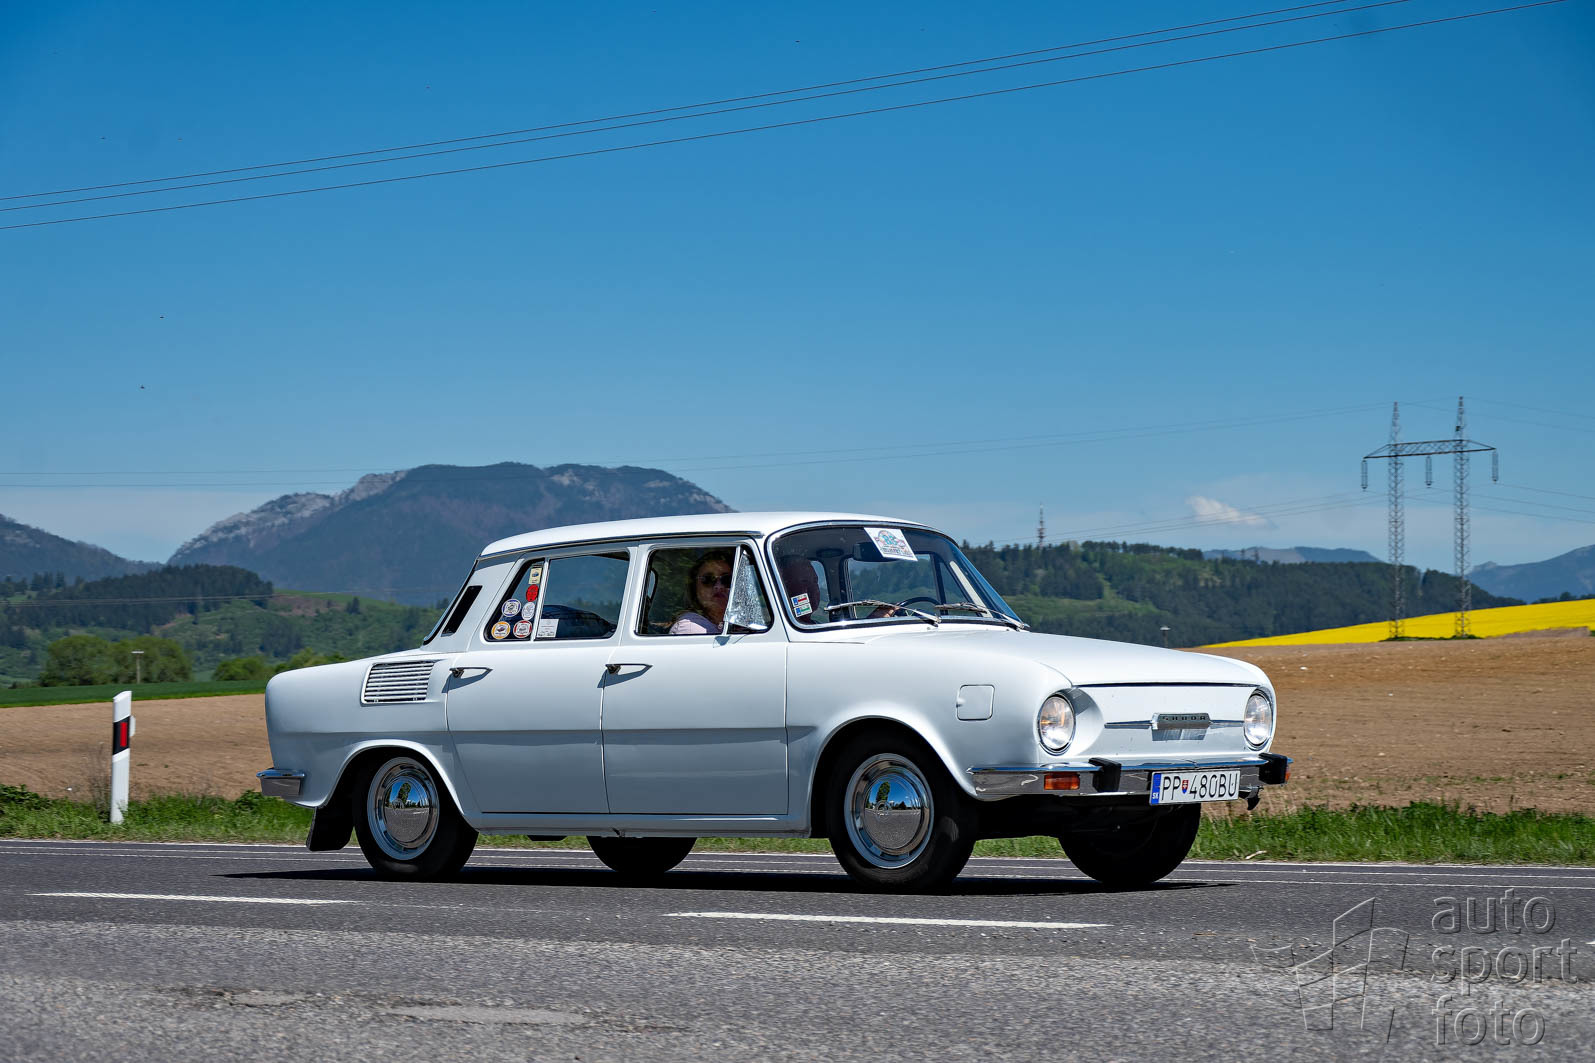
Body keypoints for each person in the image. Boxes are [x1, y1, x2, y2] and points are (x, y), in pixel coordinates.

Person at [669, 549, 734, 634]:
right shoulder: (690, 627)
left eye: (727, 579)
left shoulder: (735, 624)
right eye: (708, 579)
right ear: (695, 587)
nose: (719, 587)